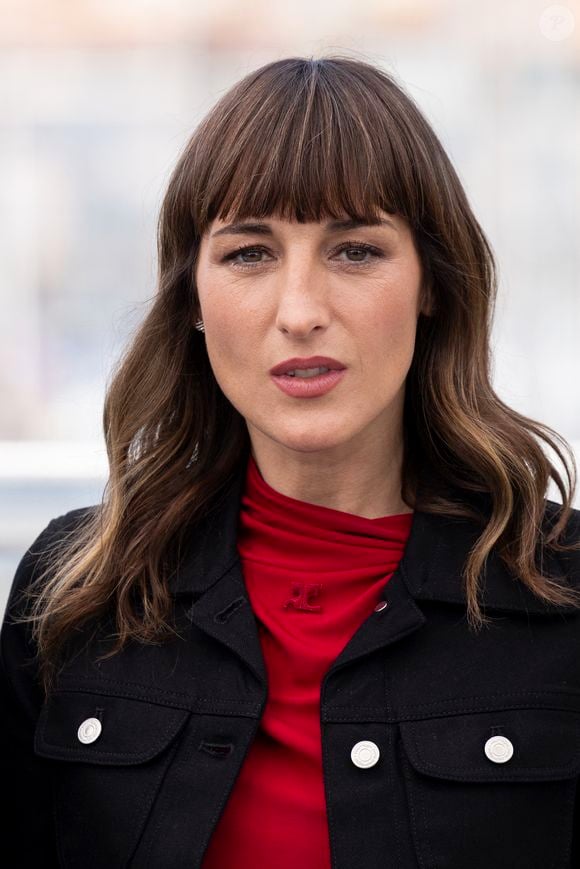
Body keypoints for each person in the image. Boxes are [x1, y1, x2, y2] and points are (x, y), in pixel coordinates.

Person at [2, 55, 580, 869]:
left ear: (432, 284)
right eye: (249, 254)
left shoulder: (564, 595)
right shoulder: (72, 594)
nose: (301, 311)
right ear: (193, 300)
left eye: (354, 251)